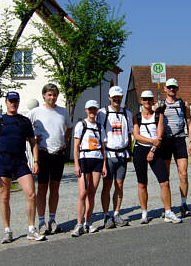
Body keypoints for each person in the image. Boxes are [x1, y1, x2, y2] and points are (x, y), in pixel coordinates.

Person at [0, 91, 45, 243]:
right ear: (6, 102)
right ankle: (7, 230)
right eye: (11, 101)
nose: (13, 103)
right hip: (4, 161)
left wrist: (36, 161)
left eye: (16, 101)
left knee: (31, 194)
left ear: (19, 102)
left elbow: (33, 142)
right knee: (5, 197)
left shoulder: (24, 121)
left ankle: (31, 229)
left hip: (20, 161)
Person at [27, 83, 73, 235]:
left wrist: (65, 141)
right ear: (44, 96)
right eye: (49, 95)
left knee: (55, 188)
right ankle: (41, 221)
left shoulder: (63, 112)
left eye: (54, 95)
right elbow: (26, 129)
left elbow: (69, 128)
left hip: (58, 154)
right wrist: (33, 138)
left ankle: (52, 219)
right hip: (42, 153)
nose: (52, 97)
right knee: (42, 188)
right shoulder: (35, 112)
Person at [133, 90, 182, 224]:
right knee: (142, 183)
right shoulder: (136, 116)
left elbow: (159, 135)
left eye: (149, 99)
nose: (147, 102)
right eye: (145, 99)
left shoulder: (158, 115)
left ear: (153, 100)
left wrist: (153, 149)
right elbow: (136, 136)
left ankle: (168, 211)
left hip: (155, 150)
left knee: (164, 182)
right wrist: (151, 142)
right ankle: (144, 213)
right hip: (139, 150)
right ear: (141, 101)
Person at [156, 78, 191, 218]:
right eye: (169, 87)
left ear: (177, 89)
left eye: (174, 87)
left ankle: (184, 204)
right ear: (165, 89)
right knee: (165, 177)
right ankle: (167, 207)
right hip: (165, 141)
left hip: (179, 140)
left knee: (183, 174)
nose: (172, 89)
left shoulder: (183, 104)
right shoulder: (159, 104)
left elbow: (189, 123)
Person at [96, 85, 133, 229]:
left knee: (119, 186)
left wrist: (129, 152)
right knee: (107, 186)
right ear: (109, 97)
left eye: (119, 97)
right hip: (108, 154)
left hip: (122, 154)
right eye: (114, 97)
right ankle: (106, 216)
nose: (117, 99)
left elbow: (129, 134)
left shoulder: (127, 113)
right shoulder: (102, 113)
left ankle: (116, 213)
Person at [71, 100, 107, 237]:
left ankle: (88, 222)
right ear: (86, 110)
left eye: (94, 109)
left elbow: (103, 147)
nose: (92, 111)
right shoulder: (81, 125)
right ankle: (79, 224)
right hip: (84, 159)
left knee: (92, 193)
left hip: (97, 160)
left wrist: (104, 164)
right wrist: (76, 164)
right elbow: (75, 146)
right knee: (82, 193)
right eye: (90, 109)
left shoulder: (99, 126)